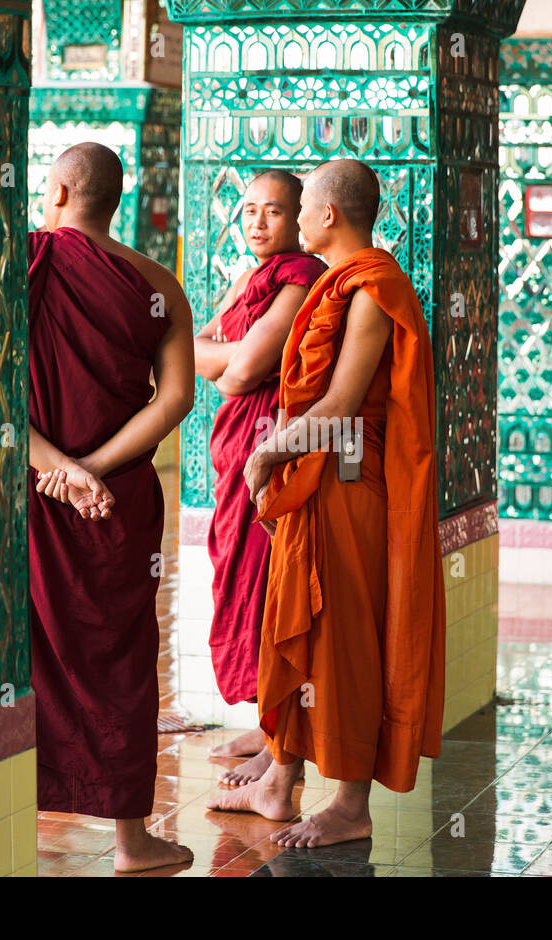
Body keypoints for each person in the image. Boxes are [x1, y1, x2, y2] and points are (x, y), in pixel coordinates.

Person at [206, 159, 445, 848]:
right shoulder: (335, 284)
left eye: (302, 206)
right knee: (300, 627)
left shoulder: (374, 288)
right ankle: (279, 781)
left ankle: (349, 804)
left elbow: (341, 405)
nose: (296, 217)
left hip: (350, 486)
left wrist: (268, 453)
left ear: (330, 215)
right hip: (319, 484)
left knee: (343, 638)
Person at [27, 142, 195, 872]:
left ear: (60, 191)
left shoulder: (21, 267)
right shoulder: (160, 286)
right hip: (118, 501)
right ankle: (132, 843)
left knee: (24, 652)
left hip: (31, 491)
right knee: (122, 659)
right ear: (115, 199)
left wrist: (58, 466)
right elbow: (178, 401)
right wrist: (93, 468)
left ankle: (17, 818)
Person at [196, 171, 326, 785]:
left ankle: (283, 746)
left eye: (273, 211)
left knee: (271, 585)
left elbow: (242, 368)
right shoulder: (249, 278)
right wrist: (231, 364)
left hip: (269, 449)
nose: (256, 222)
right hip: (236, 442)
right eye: (249, 209)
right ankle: (264, 717)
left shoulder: (298, 278)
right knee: (237, 575)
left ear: (300, 219)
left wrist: (230, 364)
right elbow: (199, 347)